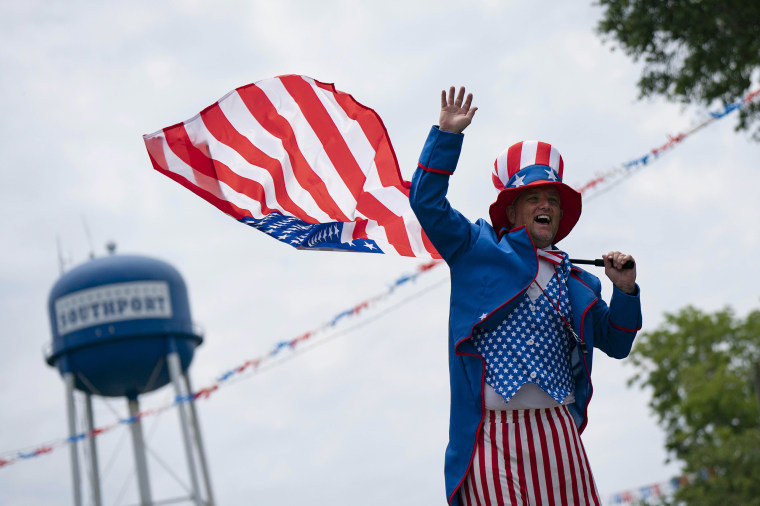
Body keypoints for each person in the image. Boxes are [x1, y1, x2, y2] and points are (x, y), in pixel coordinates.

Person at [409, 86, 642, 506]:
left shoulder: (580, 282)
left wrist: (625, 290)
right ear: (512, 212)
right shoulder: (475, 249)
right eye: (533, 197)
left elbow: (619, 343)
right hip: (490, 433)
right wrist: (446, 136)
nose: (545, 204)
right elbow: (427, 203)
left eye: (552, 199)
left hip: (557, 429)